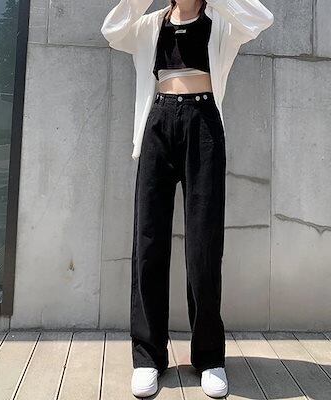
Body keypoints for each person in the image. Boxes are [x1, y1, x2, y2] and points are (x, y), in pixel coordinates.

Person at [100, 0, 274, 397]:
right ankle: (148, 358)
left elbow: (261, 19)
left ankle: (209, 358)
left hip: (204, 125)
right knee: (149, 243)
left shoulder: (221, 23)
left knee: (203, 246)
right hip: (158, 125)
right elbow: (112, 31)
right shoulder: (150, 24)